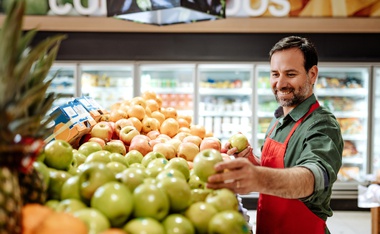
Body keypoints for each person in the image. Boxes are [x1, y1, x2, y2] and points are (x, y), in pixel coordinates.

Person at [207, 36, 343, 234]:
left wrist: (259, 178)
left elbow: (312, 178)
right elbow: (280, 168)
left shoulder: (322, 124)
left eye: (290, 74)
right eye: (275, 74)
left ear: (312, 74)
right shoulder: (279, 119)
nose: (280, 83)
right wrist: (252, 162)